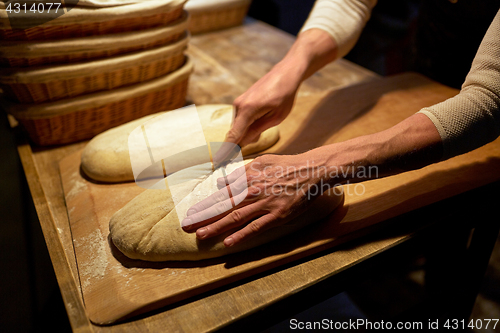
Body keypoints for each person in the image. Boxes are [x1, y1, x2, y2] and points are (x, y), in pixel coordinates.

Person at [181, 0, 500, 248]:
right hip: (434, 58)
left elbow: (489, 99)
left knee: (452, 228)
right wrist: (290, 68)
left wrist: (317, 166)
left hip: (484, 120)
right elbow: (351, 3)